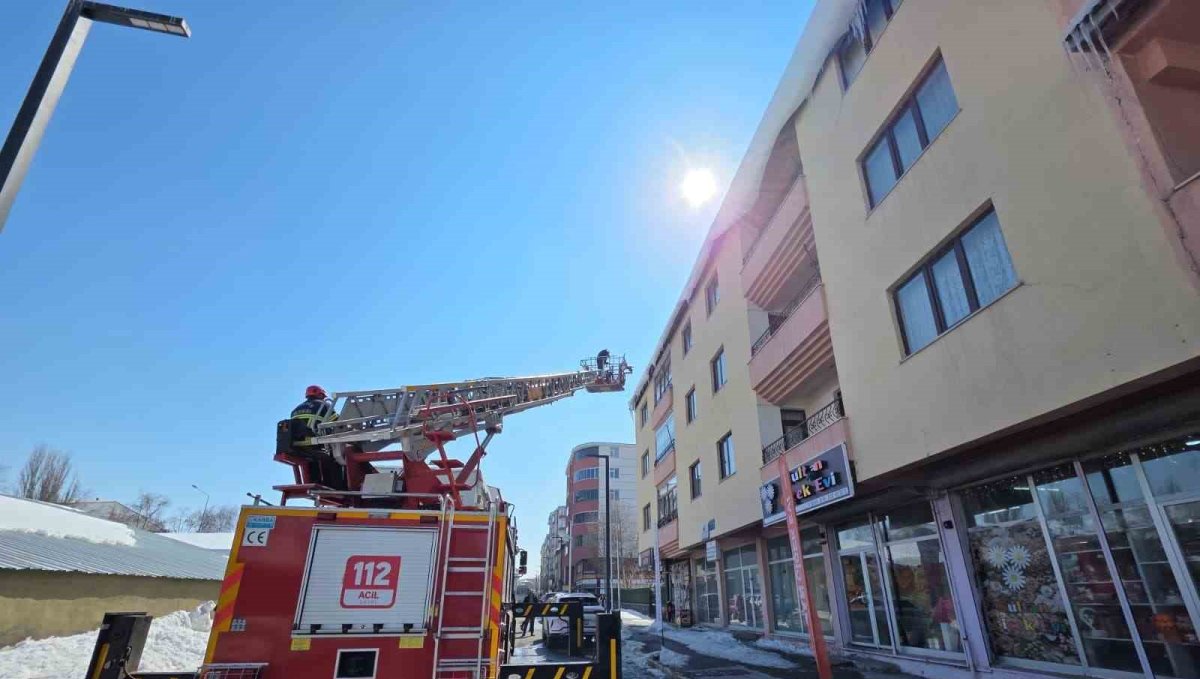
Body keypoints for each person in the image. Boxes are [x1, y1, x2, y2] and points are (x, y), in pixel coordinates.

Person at [289, 385, 342, 488]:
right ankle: (334, 487)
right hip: (312, 443)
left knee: (313, 459)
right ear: (321, 395)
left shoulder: (295, 409)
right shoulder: (324, 406)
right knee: (334, 459)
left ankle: (314, 482)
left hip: (296, 446)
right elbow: (338, 423)